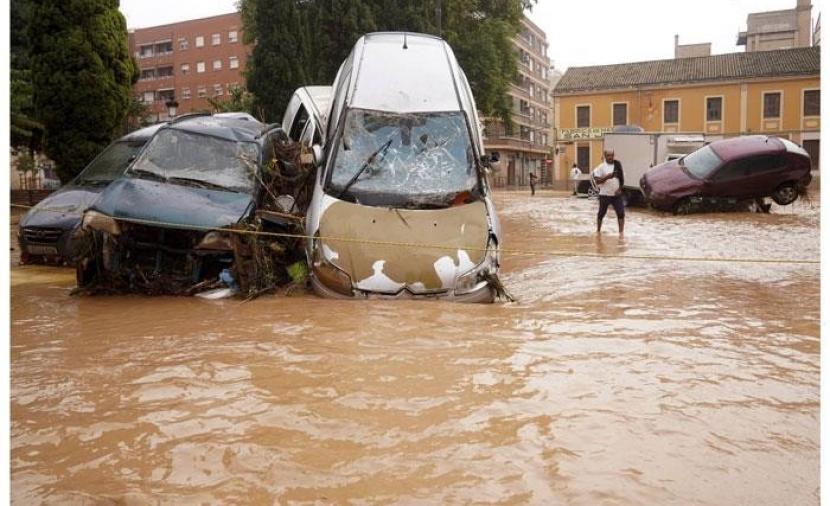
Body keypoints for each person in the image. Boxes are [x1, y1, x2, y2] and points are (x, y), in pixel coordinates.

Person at [592, 149, 625, 237]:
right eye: (608, 155)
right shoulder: (601, 167)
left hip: (616, 195)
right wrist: (606, 177)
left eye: (612, 155)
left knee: (621, 213)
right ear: (605, 156)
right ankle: (598, 231)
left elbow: (621, 179)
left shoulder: (617, 165)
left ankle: (621, 234)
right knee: (601, 213)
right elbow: (597, 181)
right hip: (604, 195)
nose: (610, 157)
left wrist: (620, 189)